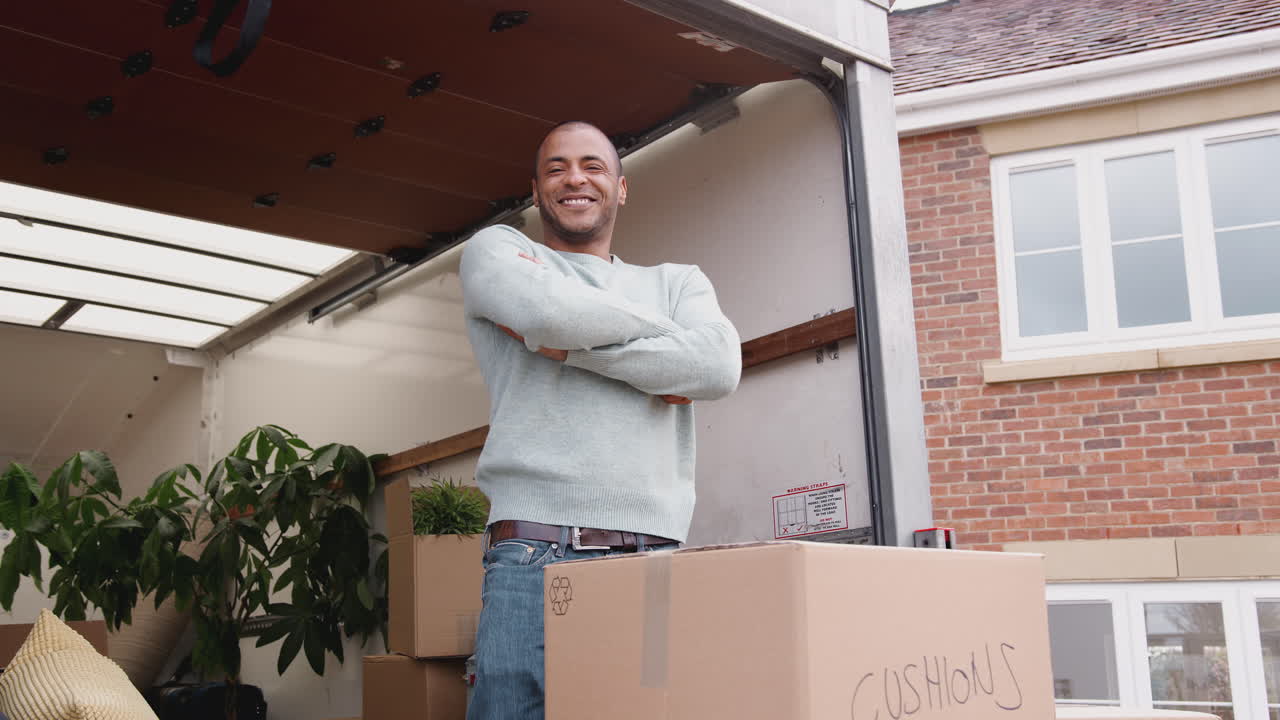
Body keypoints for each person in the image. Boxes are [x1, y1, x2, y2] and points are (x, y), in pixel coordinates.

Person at [458, 120, 742, 719]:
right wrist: (665, 351)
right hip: (531, 552)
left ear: (620, 187)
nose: (574, 179)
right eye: (556, 168)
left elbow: (716, 366)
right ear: (535, 191)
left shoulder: (677, 281)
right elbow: (545, 309)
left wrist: (564, 346)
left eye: (592, 165)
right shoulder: (499, 252)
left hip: (654, 559)